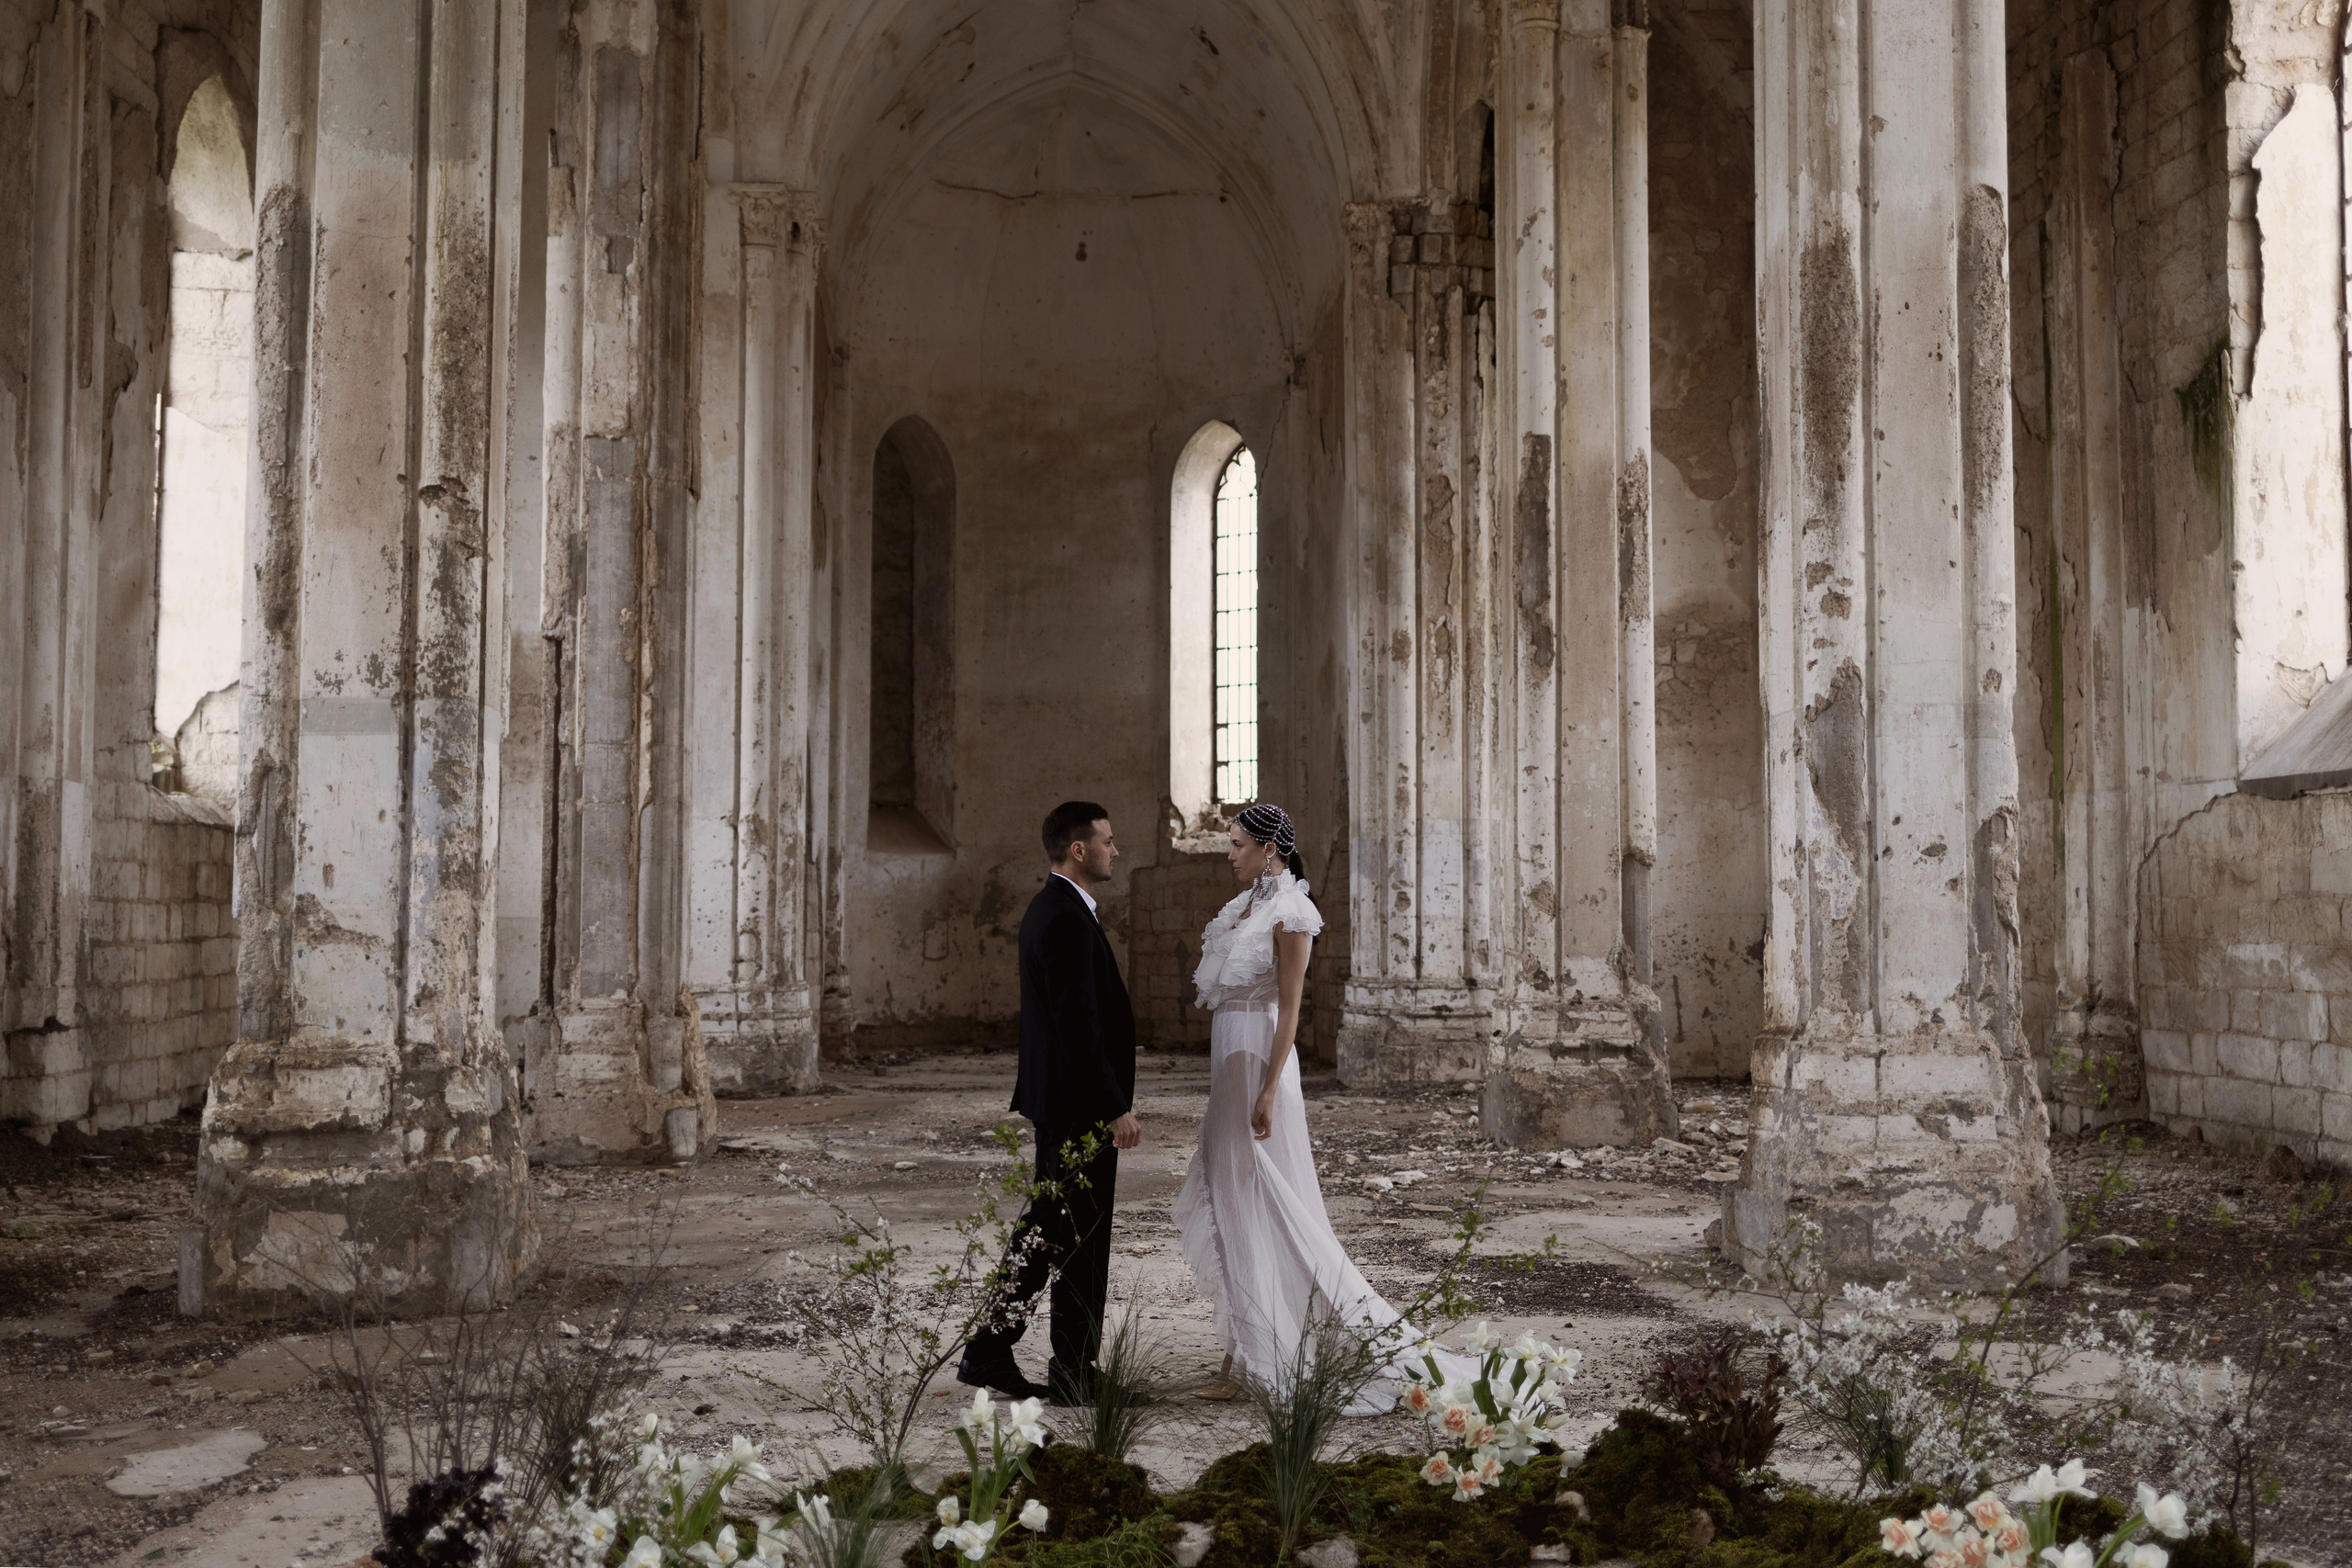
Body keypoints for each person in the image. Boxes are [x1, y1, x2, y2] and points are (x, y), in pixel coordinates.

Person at [1172, 803, 1466, 1412]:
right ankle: (1247, 1350)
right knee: (1232, 1204)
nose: (1228, 853)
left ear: (1270, 848)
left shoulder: (1291, 912)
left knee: (1266, 1203)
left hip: (1259, 1066)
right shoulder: (1246, 906)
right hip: (1229, 1067)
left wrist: (1271, 1088)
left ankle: (1262, 1351)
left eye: (1236, 844)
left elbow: (1290, 1007)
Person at [957, 800, 1141, 1404]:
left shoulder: (1057, 909)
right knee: (1071, 1238)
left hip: (1065, 1103)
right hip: (1078, 1108)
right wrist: (1114, 1104)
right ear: (1079, 849)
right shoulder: (1063, 916)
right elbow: (1077, 1025)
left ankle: (1006, 1351)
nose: (1117, 850)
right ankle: (1055, 1365)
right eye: (1108, 841)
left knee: (1053, 1230)